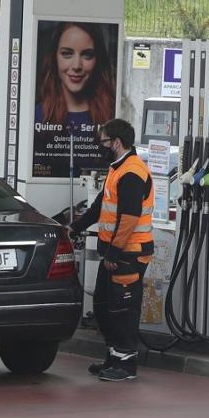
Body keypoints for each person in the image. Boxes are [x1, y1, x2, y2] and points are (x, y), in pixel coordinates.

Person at [69, 118, 154, 381]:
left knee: (122, 310)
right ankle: (114, 357)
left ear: (116, 142)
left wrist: (115, 253)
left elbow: (129, 218)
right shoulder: (117, 168)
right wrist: (74, 227)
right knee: (104, 307)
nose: (101, 145)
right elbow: (99, 207)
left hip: (128, 253)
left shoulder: (132, 172)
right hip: (115, 252)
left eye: (104, 141)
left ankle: (126, 364)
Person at [33, 21, 116, 176]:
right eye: (67, 54)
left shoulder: (112, 116)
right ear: (54, 58)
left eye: (87, 55)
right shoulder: (37, 116)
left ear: (98, 60)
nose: (77, 65)